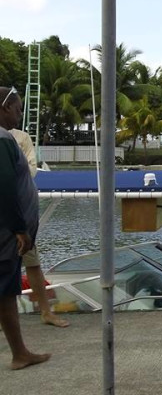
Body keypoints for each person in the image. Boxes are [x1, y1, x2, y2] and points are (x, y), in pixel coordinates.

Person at [0, 85, 51, 370]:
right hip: (7, 234)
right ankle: (19, 354)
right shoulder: (3, 139)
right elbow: (6, 187)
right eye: (18, 108)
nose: (20, 114)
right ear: (5, 107)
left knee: (6, 291)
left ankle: (19, 351)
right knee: (7, 291)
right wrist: (20, 228)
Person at [11, 128, 69, 328]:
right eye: (16, 109)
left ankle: (46, 311)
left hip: (21, 209)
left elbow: (31, 169)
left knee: (32, 261)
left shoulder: (21, 137)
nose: (19, 114)